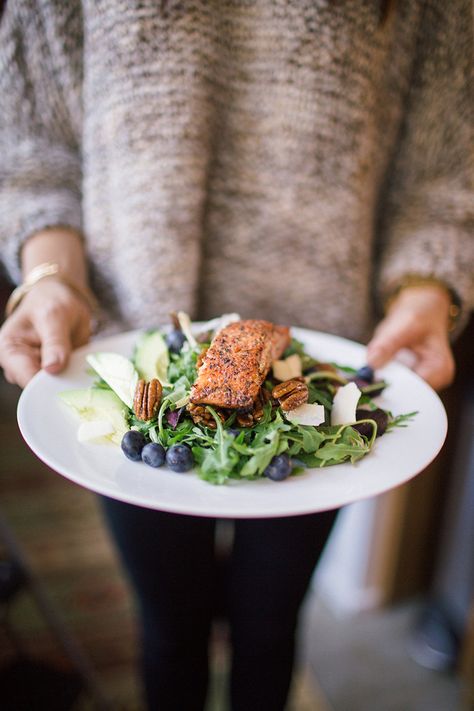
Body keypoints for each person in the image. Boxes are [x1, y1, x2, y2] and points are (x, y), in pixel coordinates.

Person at [0, 1, 472, 709]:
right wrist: (50, 277)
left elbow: (446, 157)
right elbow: (33, 150)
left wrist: (426, 290)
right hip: (140, 368)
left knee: (270, 623)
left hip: (318, 378)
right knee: (167, 624)